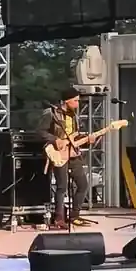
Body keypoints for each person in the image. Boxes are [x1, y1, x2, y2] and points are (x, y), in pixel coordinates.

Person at [38, 87, 93, 229]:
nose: (77, 103)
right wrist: (54, 139)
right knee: (62, 186)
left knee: (83, 184)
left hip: (73, 153)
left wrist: (87, 139)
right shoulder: (51, 113)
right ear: (67, 101)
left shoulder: (74, 115)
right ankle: (59, 218)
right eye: (75, 100)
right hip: (59, 153)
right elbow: (40, 132)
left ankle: (74, 216)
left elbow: (74, 135)